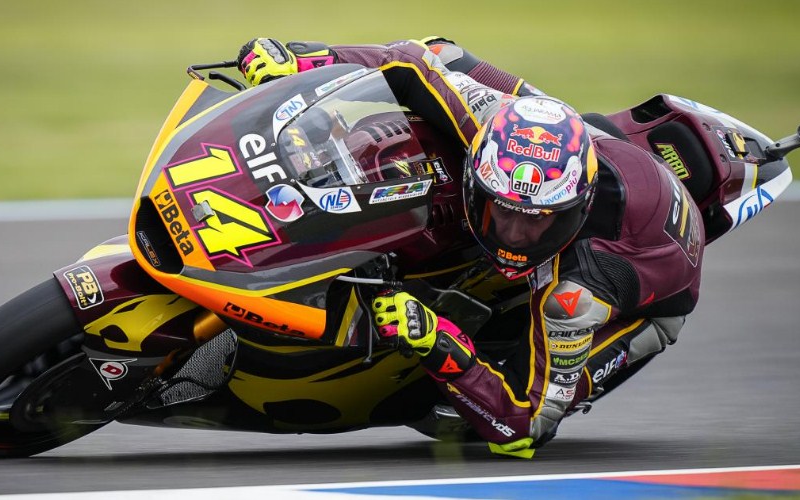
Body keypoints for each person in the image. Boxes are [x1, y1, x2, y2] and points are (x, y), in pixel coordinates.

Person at [236, 37, 704, 458]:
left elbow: (525, 426)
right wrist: (304, 61)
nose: (514, 236)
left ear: (573, 211)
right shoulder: (489, 122)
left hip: (648, 299)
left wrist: (437, 341)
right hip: (600, 144)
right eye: (501, 211)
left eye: (537, 222)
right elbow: (409, 61)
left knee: (453, 417)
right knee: (444, 53)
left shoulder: (577, 295)